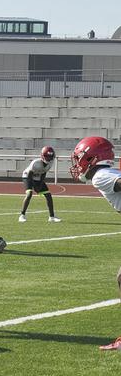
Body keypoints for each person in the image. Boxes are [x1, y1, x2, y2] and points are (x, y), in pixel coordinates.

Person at [68, 136, 121, 350]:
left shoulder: (101, 176)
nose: (77, 164)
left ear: (92, 157)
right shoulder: (109, 173)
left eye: (80, 158)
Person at [19, 146, 60, 223]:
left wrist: (40, 185)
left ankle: (51, 217)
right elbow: (30, 175)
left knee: (48, 195)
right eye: (47, 156)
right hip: (28, 176)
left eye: (50, 157)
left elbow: (44, 173)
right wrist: (35, 187)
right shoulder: (36, 163)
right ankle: (22, 215)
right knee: (29, 194)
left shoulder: (50, 163)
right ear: (42, 156)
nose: (49, 158)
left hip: (38, 177)